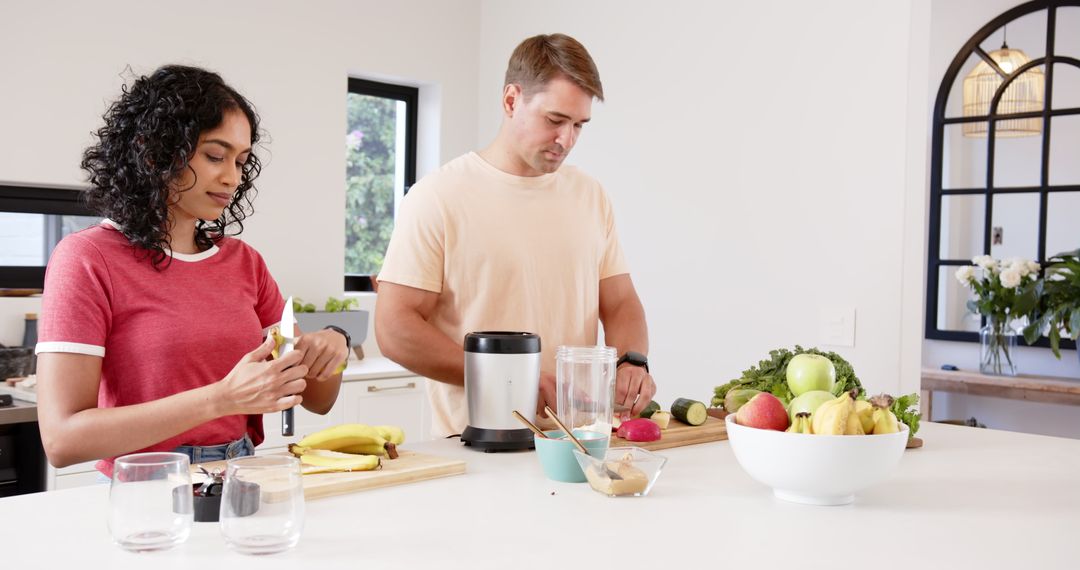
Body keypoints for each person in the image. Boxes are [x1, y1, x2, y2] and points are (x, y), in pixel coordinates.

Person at [35, 65, 349, 477]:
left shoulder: (244, 262)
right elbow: (62, 440)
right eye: (215, 156)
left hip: (242, 476)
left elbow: (315, 398)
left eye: (241, 161)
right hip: (148, 487)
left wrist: (332, 346)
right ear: (154, 151)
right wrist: (221, 399)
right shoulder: (87, 258)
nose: (232, 177)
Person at [375, 33, 656, 437]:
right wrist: (510, 379)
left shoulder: (589, 195)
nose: (567, 140)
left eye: (579, 125)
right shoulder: (438, 197)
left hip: (576, 439)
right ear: (511, 100)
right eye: (555, 120)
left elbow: (621, 302)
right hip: (477, 442)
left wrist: (632, 361)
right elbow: (394, 328)